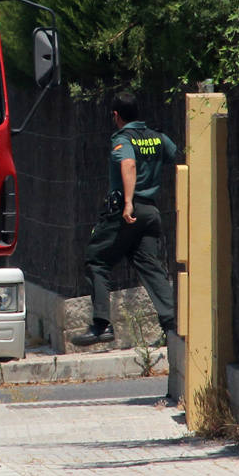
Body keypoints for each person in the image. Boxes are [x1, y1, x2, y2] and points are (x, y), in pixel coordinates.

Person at [71, 91, 180, 346]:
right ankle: (172, 325)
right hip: (151, 213)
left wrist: (128, 201)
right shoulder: (156, 137)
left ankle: (101, 325)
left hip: (127, 211)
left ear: (116, 116)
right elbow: (176, 155)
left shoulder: (123, 138)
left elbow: (128, 164)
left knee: (96, 260)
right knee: (150, 266)